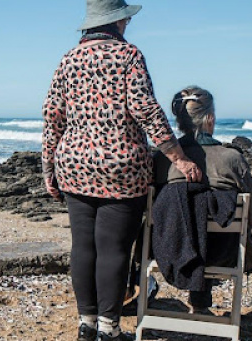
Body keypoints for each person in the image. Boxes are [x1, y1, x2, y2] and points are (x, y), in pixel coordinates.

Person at [41, 1, 202, 340]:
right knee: (114, 248)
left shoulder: (69, 58)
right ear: (119, 20)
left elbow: (52, 114)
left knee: (83, 246)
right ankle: (108, 329)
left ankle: (86, 325)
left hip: (74, 163)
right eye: (126, 17)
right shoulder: (129, 55)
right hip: (122, 167)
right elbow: (145, 108)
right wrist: (178, 156)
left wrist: (48, 167)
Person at [153, 86, 252, 313]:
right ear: (210, 119)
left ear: (180, 121)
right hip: (223, 253)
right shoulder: (231, 158)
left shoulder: (163, 160)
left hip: (168, 250)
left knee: (185, 217)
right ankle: (201, 303)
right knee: (211, 225)